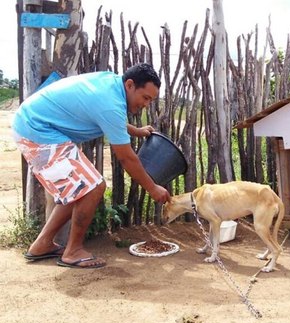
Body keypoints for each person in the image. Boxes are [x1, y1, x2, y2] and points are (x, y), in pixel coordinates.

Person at [12, 63, 171, 269]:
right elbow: (127, 158)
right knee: (94, 187)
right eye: (145, 98)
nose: (145, 104)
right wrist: (152, 187)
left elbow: (105, 116)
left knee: (77, 188)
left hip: (33, 125)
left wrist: (135, 131)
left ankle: (42, 244)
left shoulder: (111, 85)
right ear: (130, 85)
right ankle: (73, 251)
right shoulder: (110, 103)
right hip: (36, 130)